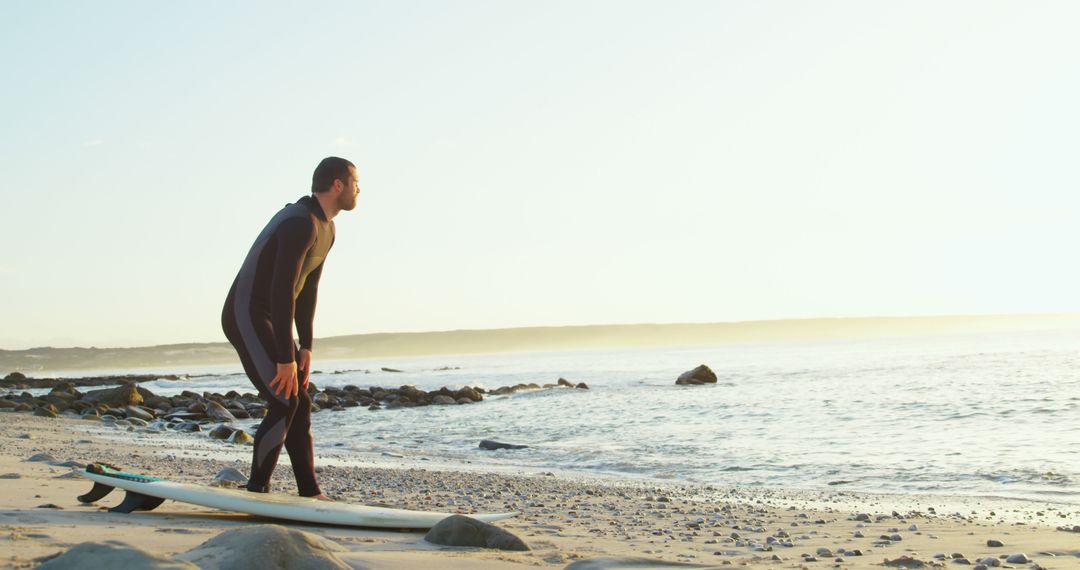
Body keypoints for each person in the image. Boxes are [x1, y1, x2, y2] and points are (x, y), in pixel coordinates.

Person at [221, 157, 359, 499]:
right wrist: (285, 356)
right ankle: (257, 489)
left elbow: (307, 289)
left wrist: (306, 346)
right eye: (356, 182)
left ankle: (310, 492)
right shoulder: (300, 222)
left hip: (271, 315)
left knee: (301, 401)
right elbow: (281, 291)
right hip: (247, 312)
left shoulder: (327, 228)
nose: (360, 189)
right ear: (338, 185)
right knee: (284, 399)